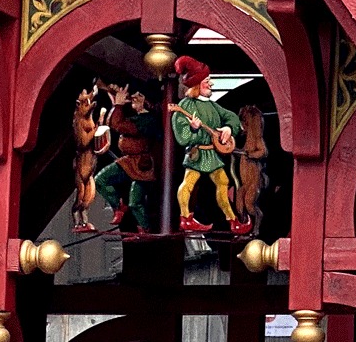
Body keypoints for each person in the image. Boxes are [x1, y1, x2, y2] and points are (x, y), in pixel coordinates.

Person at [169, 56, 249, 236]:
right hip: (197, 154)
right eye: (206, 81)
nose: (211, 84)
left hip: (212, 155)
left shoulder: (213, 106)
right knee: (188, 183)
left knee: (223, 182)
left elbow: (232, 117)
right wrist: (194, 129)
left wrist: (228, 127)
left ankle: (232, 221)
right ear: (197, 85)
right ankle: (185, 217)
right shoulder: (184, 107)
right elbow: (182, 137)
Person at [84, 83, 157, 233]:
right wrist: (115, 104)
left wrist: (118, 105)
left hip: (142, 165)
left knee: (135, 202)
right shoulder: (137, 117)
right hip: (129, 161)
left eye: (140, 96)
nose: (134, 97)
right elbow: (115, 122)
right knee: (100, 180)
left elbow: (118, 125)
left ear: (147, 102)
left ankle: (145, 229)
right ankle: (118, 206)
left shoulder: (148, 120)